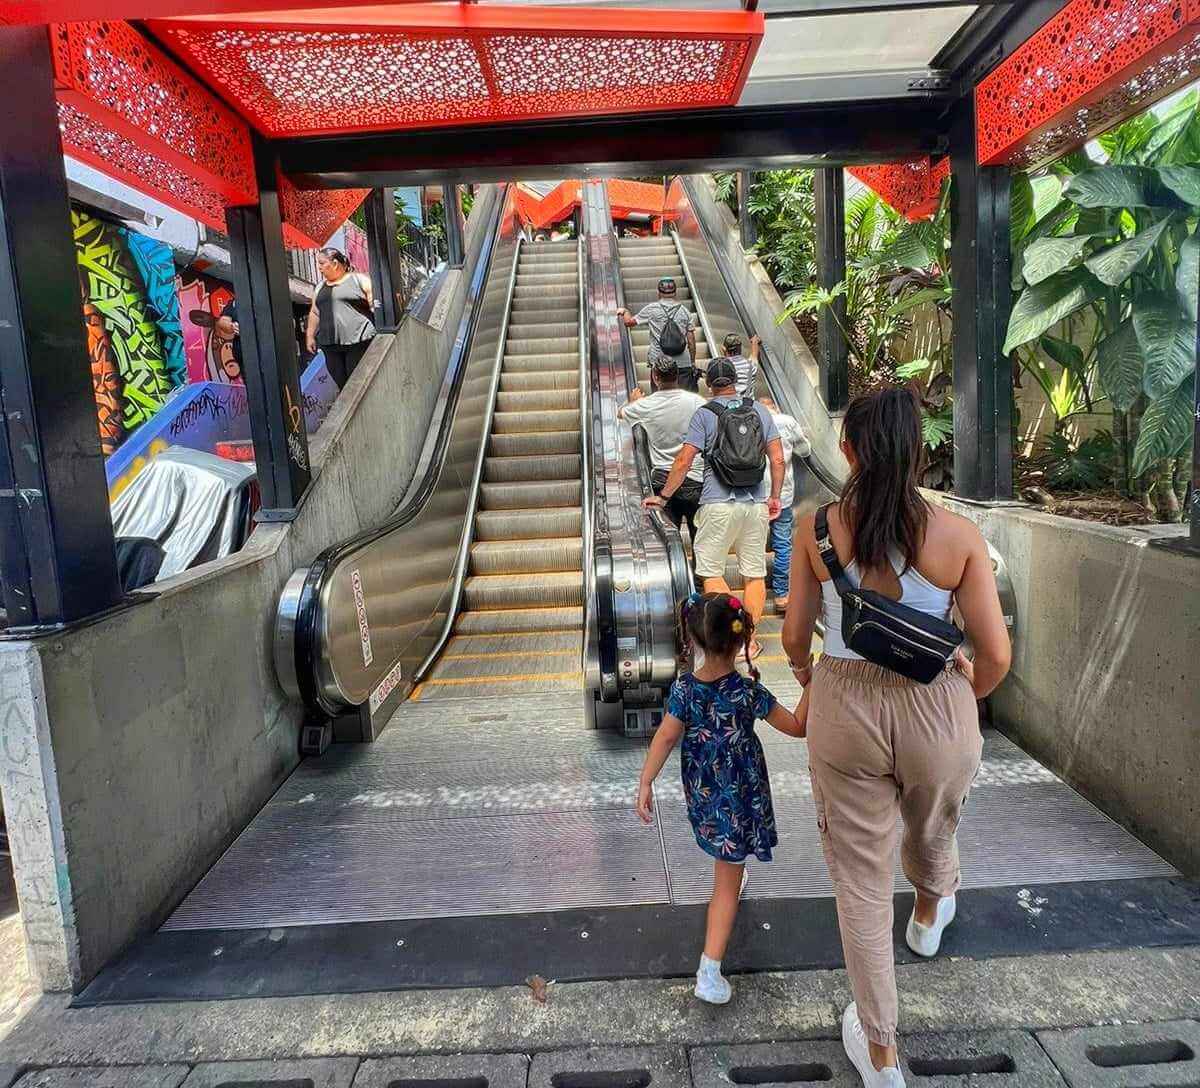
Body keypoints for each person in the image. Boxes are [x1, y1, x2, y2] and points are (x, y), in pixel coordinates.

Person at [781, 386, 1012, 1088]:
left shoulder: (814, 529)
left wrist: (810, 677)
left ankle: (882, 1055)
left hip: (844, 710)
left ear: (847, 450)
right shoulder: (957, 536)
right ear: (918, 451)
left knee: (859, 879)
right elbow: (994, 655)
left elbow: (795, 636)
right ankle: (931, 909)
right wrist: (954, 701)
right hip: (937, 706)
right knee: (933, 818)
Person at [636, 591, 803, 1004]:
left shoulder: (684, 691)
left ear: (692, 643)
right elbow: (799, 727)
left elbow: (666, 736)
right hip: (740, 798)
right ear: (743, 641)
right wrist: (811, 682)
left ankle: (734, 870)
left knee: (728, 862)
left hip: (706, 796)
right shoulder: (748, 693)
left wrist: (645, 782)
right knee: (724, 887)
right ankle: (708, 971)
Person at [644, 358, 785, 657]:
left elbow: (683, 461)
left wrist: (665, 497)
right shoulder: (759, 410)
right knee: (754, 575)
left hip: (717, 503)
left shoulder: (705, 414)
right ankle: (749, 639)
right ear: (736, 380)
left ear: (709, 384)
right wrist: (774, 496)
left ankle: (731, 631)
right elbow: (777, 459)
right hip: (756, 503)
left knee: (710, 572)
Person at [619, 357, 706, 542]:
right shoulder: (697, 401)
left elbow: (621, 414)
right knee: (700, 541)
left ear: (655, 377)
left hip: (663, 480)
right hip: (695, 478)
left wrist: (634, 401)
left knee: (668, 539)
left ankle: (674, 568)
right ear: (677, 377)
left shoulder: (645, 405)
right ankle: (699, 570)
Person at [758, 397, 812, 611]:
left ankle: (756, 590)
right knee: (782, 544)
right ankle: (781, 594)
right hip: (782, 496)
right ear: (775, 407)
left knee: (754, 544)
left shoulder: (751, 420)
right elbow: (805, 450)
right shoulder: (787, 421)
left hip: (755, 495)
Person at [306, 248, 376, 390]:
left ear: (335, 263)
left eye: (322, 263)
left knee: (357, 382)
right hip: (330, 345)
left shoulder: (359, 280)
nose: (319, 267)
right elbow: (314, 312)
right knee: (342, 384)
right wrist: (309, 335)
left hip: (358, 341)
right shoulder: (320, 287)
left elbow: (375, 303)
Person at [616, 277, 698, 392]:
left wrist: (625, 312)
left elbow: (629, 323)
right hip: (683, 363)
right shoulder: (685, 311)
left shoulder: (652, 309)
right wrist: (692, 361)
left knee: (659, 398)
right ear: (675, 292)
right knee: (683, 397)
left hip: (659, 363)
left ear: (658, 293)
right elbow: (691, 341)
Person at [721, 332, 760, 399]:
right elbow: (754, 354)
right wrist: (755, 341)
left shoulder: (721, 368)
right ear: (740, 348)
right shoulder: (750, 365)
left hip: (730, 405)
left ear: (724, 349)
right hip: (748, 406)